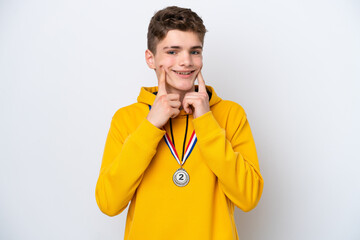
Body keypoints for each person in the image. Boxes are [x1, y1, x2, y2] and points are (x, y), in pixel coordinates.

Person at [95, 6, 263, 240]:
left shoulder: (230, 114)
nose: (185, 61)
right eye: (173, 51)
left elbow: (249, 197)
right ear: (150, 58)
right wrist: (150, 126)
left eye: (195, 51)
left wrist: (206, 122)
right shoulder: (126, 119)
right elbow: (108, 203)